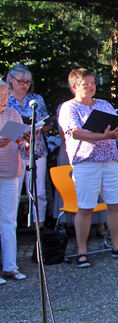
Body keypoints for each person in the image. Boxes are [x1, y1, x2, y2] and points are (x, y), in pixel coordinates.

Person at [58, 68, 118, 268]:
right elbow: (76, 133)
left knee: (116, 204)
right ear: (75, 86)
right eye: (86, 84)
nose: (92, 87)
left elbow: (115, 125)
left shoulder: (104, 104)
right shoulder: (69, 107)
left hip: (109, 160)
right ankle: (82, 251)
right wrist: (104, 136)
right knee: (85, 208)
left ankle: (116, 246)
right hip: (86, 162)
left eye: (93, 83)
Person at [6, 63, 49, 228]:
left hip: (36, 150)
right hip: (12, 152)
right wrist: (20, 130)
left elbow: (46, 124)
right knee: (13, 192)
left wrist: (39, 126)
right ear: (10, 79)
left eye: (28, 82)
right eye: (21, 81)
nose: (25, 85)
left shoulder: (36, 99)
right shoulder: (5, 99)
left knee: (39, 192)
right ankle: (10, 228)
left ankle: (40, 227)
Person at [0, 79, 29, 283]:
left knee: (9, 220)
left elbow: (20, 143)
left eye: (4, 96)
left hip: (11, 170)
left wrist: (26, 143)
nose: (3, 100)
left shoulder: (13, 114)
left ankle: (10, 266)